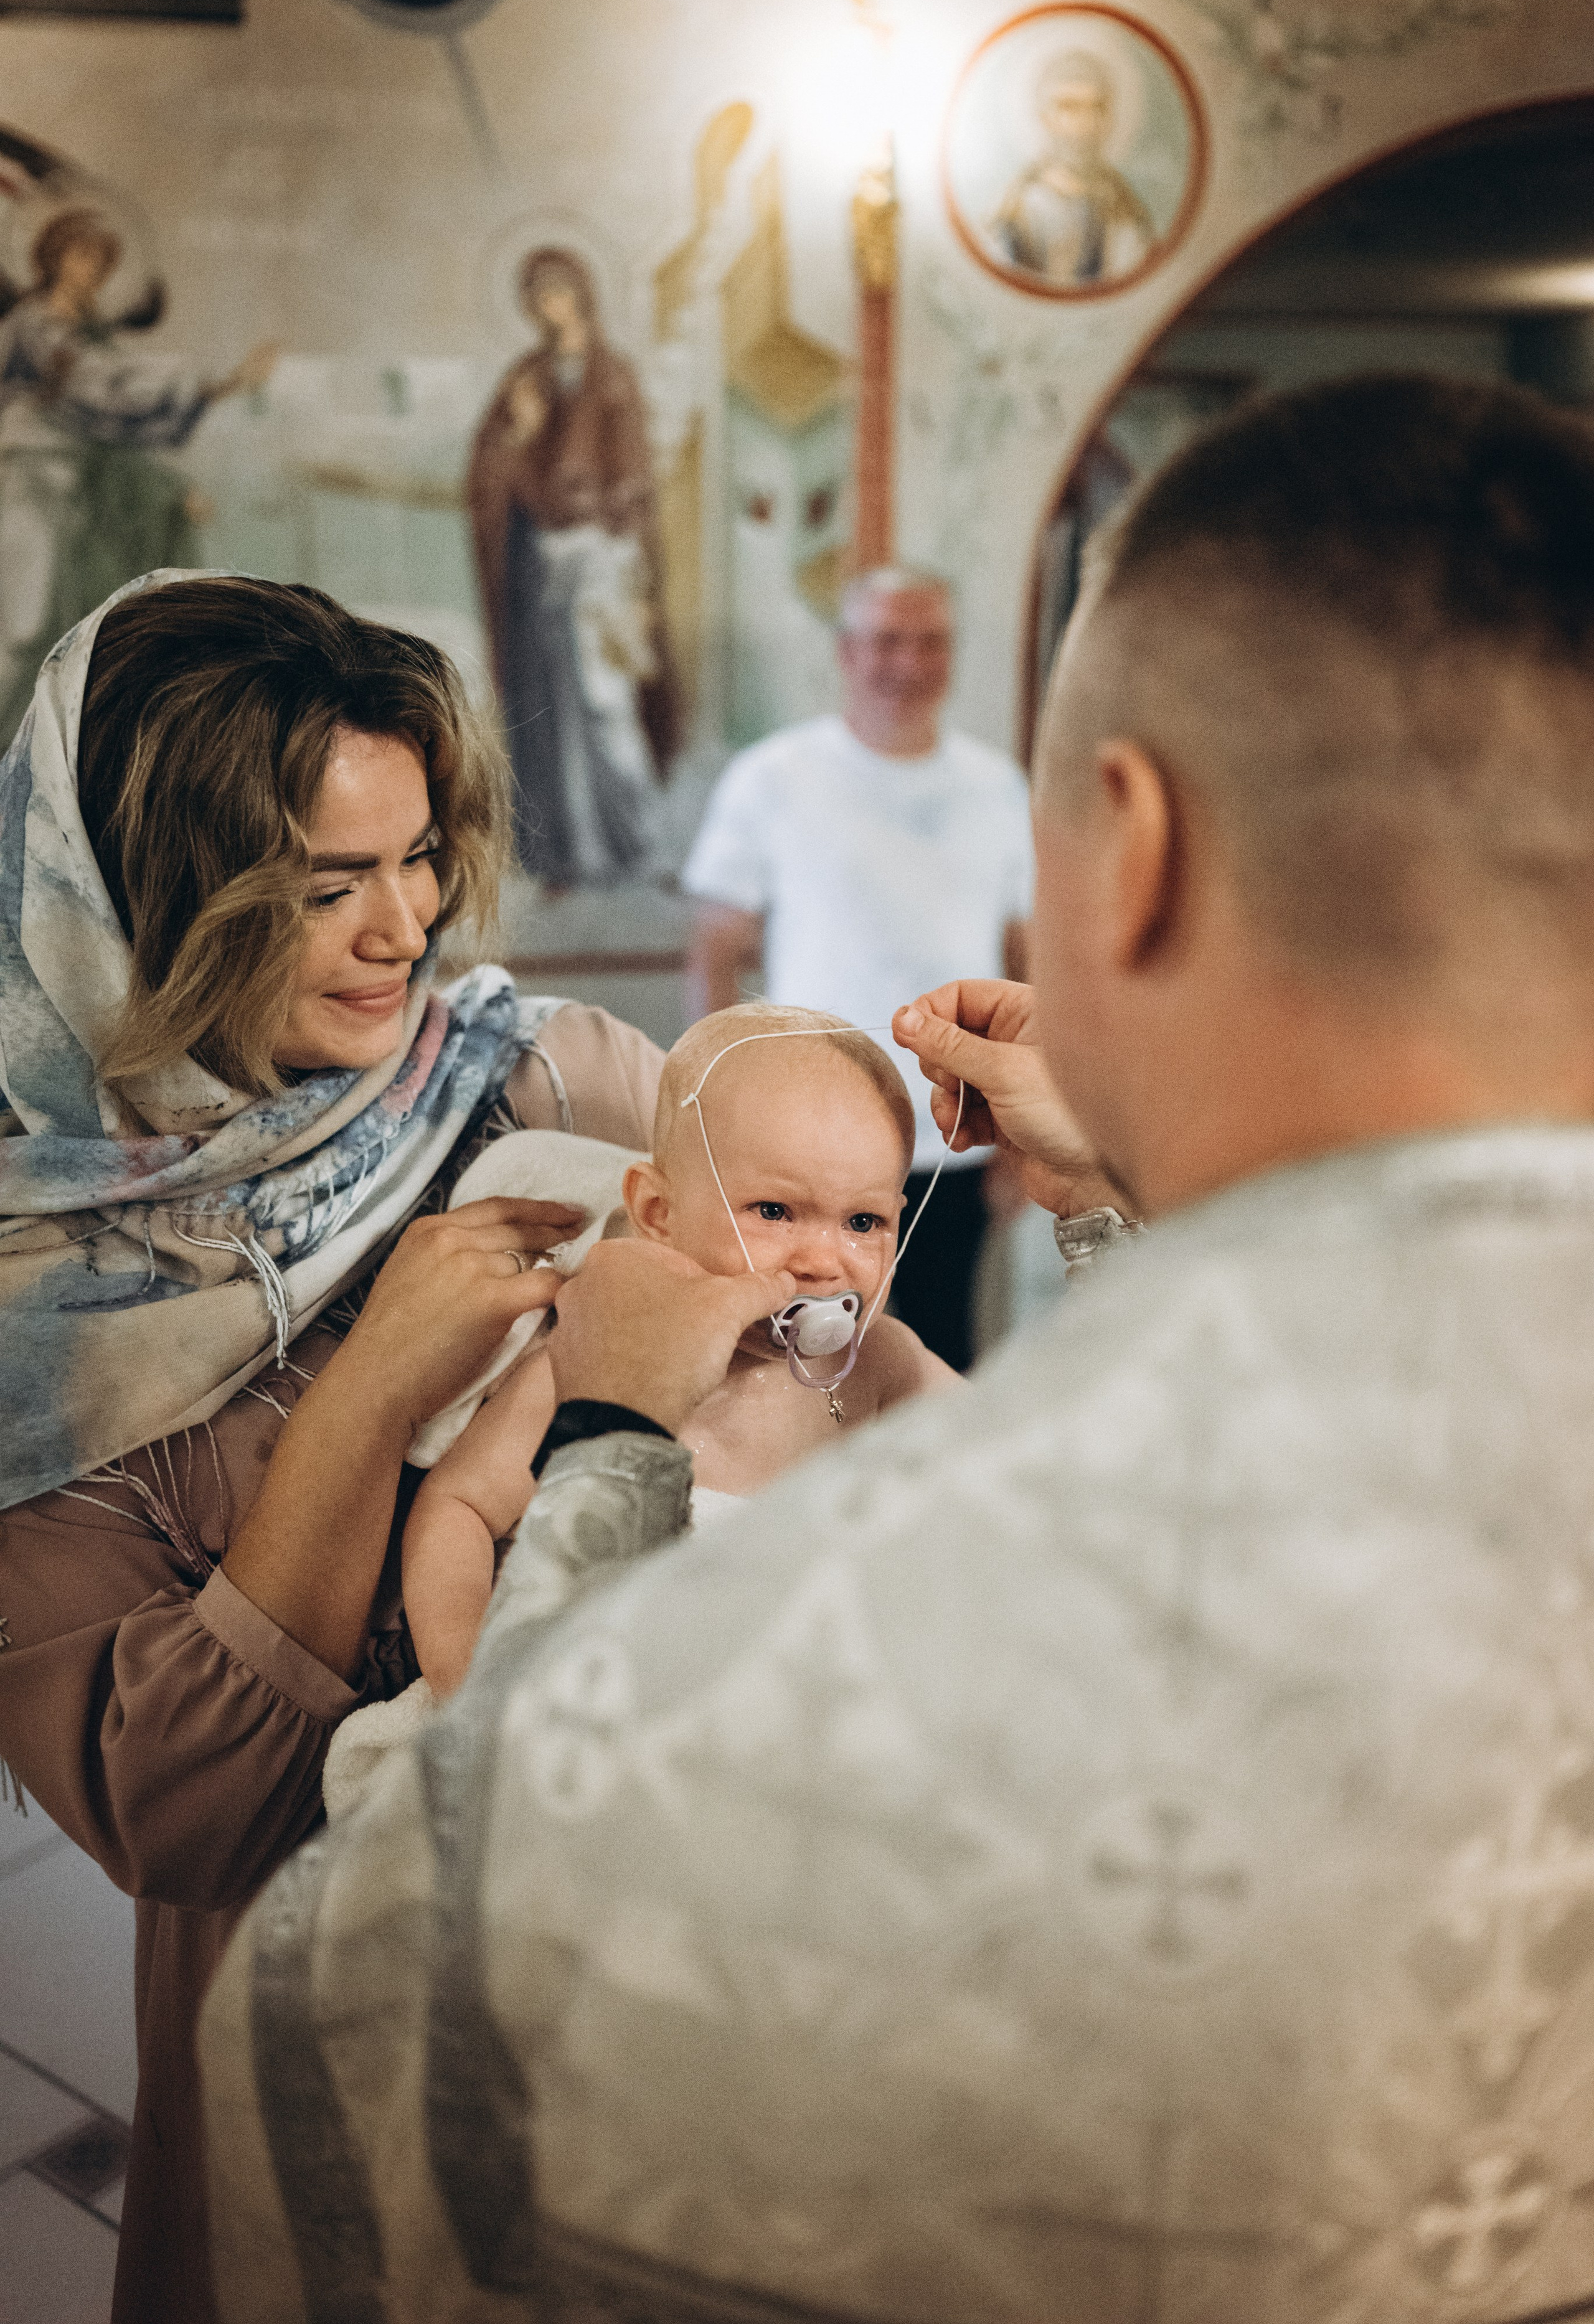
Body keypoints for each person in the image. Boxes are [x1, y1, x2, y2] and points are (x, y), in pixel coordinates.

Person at [204, 373, 1594, 2321]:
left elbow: (371, 2004)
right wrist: (1122, 1195)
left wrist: (608, 1438)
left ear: (1129, 845)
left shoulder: (811, 1661)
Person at [0, 570, 669, 2324]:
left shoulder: (540, 1086)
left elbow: (837, 1318)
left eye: (421, 852)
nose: (408, 925)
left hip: (651, 1988)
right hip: (314, 2052)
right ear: (148, 904)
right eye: (325, 883)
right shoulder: (30, 1307)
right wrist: (370, 1394)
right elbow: (183, 1813)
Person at [398, 1004, 955, 1696]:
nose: (823, 1261)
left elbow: (1013, 1442)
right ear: (658, 1214)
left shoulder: (883, 1362)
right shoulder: (599, 1362)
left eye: (863, 1222)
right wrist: (466, 1677)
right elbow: (460, 1508)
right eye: (774, 1211)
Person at [684, 566, 1032, 1371]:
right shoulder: (773, 778)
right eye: (886, 640)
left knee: (944, 1356)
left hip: (957, 1132)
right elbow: (714, 951)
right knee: (801, 1362)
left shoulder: (998, 787)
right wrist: (715, 1109)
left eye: (929, 641)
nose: (907, 662)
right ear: (846, 651)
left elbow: (1025, 960)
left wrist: (1018, 1138)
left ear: (952, 655)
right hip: (812, 1138)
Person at [0, 208, 276, 748]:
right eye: (82, 256)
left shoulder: (86, 335)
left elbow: (117, 425)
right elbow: (104, 391)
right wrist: (215, 381)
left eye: (101, 262)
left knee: (66, 633)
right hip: (27, 486)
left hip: (75, 494)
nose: (91, 271)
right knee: (22, 627)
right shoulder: (37, 325)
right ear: (52, 258)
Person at [466, 245, 679, 889]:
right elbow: (491, 465)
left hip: (603, 558)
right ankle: (561, 853)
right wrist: (521, 432)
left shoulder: (613, 375)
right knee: (547, 708)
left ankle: (640, 847)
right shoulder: (525, 377)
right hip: (544, 564)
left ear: (584, 293)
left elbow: (636, 476)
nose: (549, 306)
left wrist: (635, 571)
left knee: (606, 704)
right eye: (538, 296)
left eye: (559, 291)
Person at [989, 48, 1156, 288]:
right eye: (1069, 107)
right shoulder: (1017, 210)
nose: (1085, 123)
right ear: (1045, 117)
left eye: (1096, 107)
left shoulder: (1123, 211)